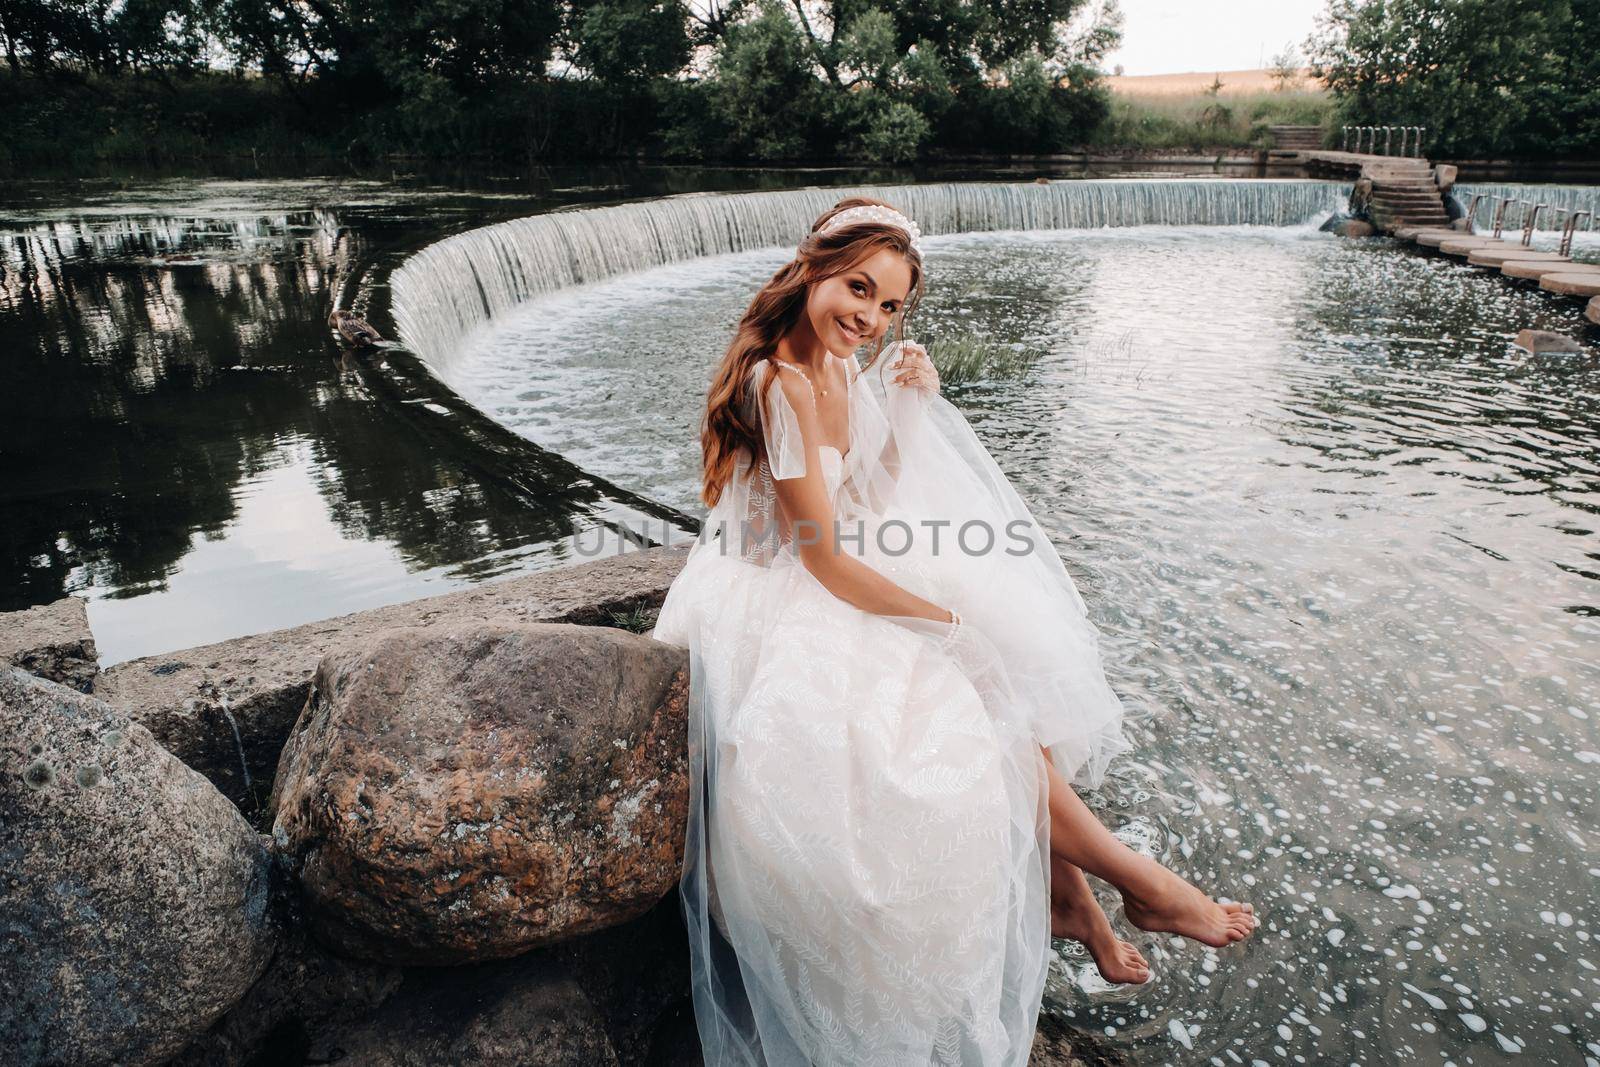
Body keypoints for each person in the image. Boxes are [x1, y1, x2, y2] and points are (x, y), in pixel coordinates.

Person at [649, 196, 1256, 1066]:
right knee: (965, 687)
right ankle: (1135, 884)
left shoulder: (838, 364)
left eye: (891, 305)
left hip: (825, 568)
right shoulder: (775, 381)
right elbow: (820, 559)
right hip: (767, 597)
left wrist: (903, 410)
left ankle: (1080, 893)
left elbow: (862, 499)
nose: (871, 316)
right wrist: (945, 626)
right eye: (858, 288)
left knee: (1004, 669)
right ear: (813, 267)